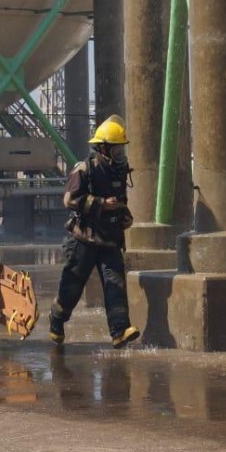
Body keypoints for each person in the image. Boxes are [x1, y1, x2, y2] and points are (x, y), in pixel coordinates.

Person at [48, 116, 139, 349]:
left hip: (110, 239)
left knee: (115, 284)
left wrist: (123, 215)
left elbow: (119, 201)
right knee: (72, 285)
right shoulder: (85, 169)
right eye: (116, 149)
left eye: (121, 149)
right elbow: (70, 199)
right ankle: (57, 319)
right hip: (85, 239)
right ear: (103, 149)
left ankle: (120, 331)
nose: (120, 154)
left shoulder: (119, 171)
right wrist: (101, 204)